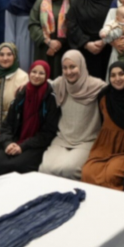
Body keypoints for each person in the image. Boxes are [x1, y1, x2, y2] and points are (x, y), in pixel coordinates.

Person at [0, 61, 60, 178]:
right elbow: (7, 124)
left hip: (36, 144)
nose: (36, 76)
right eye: (34, 72)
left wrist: (23, 146)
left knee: (18, 166)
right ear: (29, 72)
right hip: (17, 139)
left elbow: (48, 133)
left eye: (41, 73)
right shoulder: (22, 93)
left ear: (47, 75)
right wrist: (8, 143)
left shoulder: (51, 98)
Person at [40, 50, 107, 179]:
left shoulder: (97, 86)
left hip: (86, 140)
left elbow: (116, 90)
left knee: (69, 169)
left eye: (72, 67)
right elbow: (42, 82)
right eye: (65, 68)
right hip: (62, 138)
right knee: (45, 168)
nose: (68, 72)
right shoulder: (60, 83)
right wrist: (24, 85)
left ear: (81, 65)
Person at [81, 62, 124, 190]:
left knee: (111, 176)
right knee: (87, 172)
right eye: (113, 75)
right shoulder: (104, 95)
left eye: (121, 74)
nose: (117, 78)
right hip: (104, 145)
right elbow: (103, 120)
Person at [67, 0, 116, 79]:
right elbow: (72, 24)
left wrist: (104, 41)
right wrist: (86, 43)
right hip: (86, 50)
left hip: (109, 47)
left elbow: (117, 21)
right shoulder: (78, 0)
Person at [30, 0, 70, 79]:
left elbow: (75, 25)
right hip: (44, 49)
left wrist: (60, 43)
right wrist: (48, 41)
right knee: (43, 79)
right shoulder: (40, 0)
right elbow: (33, 24)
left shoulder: (71, 0)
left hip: (65, 48)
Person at [6, 0, 42, 71]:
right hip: (22, 46)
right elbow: (9, 31)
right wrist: (10, 51)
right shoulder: (14, 4)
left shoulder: (44, 1)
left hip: (40, 43)